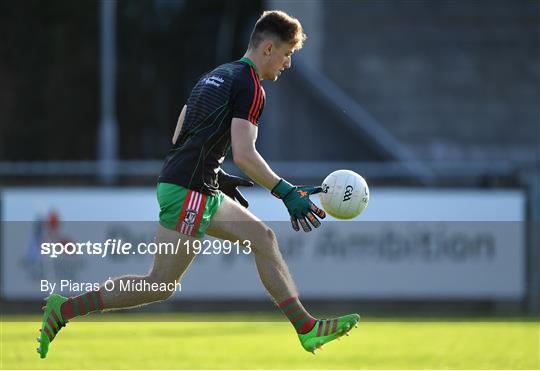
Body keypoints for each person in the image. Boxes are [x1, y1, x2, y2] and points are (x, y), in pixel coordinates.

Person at [37, 10, 359, 359]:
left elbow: (180, 134)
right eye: (287, 54)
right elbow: (245, 154)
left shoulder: (216, 75)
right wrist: (285, 192)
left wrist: (215, 174)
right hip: (190, 189)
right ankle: (64, 309)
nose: (288, 64)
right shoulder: (251, 87)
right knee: (159, 284)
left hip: (194, 184)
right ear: (268, 48)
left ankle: (306, 328)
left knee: (262, 239)